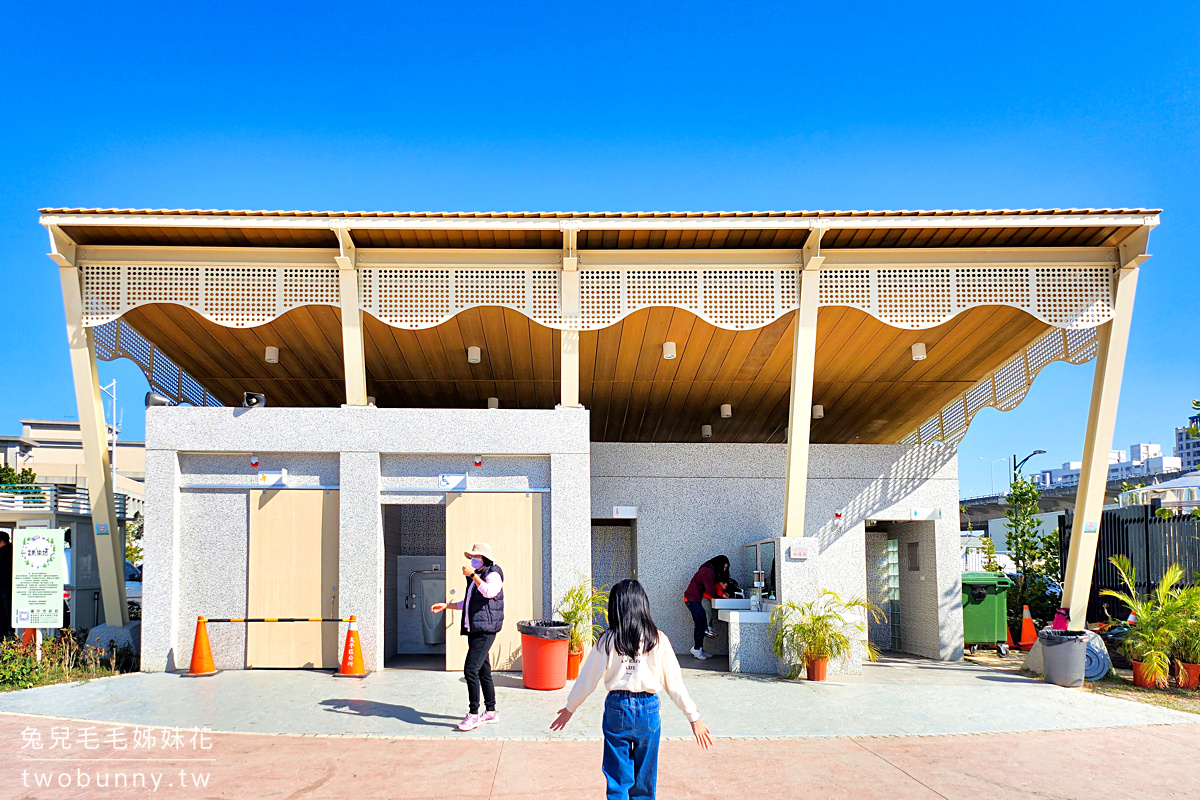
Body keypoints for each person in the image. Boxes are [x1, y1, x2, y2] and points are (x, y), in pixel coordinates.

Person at [552, 579, 712, 800]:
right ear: (643, 605)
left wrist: (571, 707)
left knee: (617, 778)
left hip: (617, 708)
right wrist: (693, 717)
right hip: (649, 709)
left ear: (615, 607)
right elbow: (674, 683)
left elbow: (587, 678)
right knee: (645, 778)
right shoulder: (658, 639)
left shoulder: (607, 640)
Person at [430, 541, 504, 731]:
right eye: (471, 557)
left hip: (485, 630)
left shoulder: (493, 574)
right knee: (483, 670)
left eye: (475, 557)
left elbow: (489, 592)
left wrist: (472, 576)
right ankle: (491, 711)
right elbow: (469, 602)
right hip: (475, 628)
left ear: (484, 558)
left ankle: (473, 714)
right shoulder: (477, 576)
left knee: (470, 670)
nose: (472, 560)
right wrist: (448, 606)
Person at [683, 555, 729, 659]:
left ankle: (699, 650)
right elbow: (710, 589)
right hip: (692, 599)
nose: (724, 570)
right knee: (702, 623)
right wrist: (721, 595)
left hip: (693, 598)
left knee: (700, 624)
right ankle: (697, 649)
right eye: (724, 567)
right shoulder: (708, 571)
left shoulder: (707, 569)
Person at [0, 532, 12, 640]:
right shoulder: (13, 551)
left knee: (5, 617)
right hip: (8, 589)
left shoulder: (5, 554)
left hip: (5, 590)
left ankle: (6, 637)